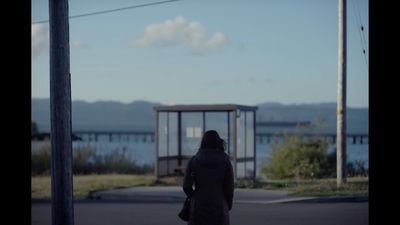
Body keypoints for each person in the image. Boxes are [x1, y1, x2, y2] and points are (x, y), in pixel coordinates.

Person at [182, 130, 234, 225]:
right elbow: (229, 188)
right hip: (220, 206)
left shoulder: (194, 160)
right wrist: (228, 204)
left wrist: (193, 196)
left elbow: (186, 186)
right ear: (219, 142)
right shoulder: (225, 161)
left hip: (197, 206)